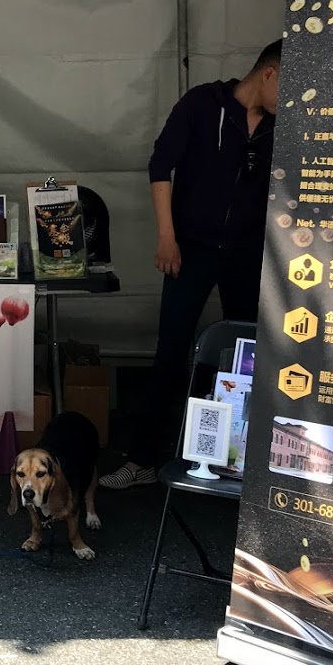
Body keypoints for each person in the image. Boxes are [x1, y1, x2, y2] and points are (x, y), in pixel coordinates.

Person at [99, 39, 281, 489]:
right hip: (191, 249)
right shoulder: (203, 103)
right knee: (171, 351)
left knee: (245, 354)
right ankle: (142, 460)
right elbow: (160, 166)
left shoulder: (281, 125)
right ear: (269, 73)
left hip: (248, 254)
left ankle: (236, 462)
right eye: (290, 89)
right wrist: (167, 237)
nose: (293, 102)